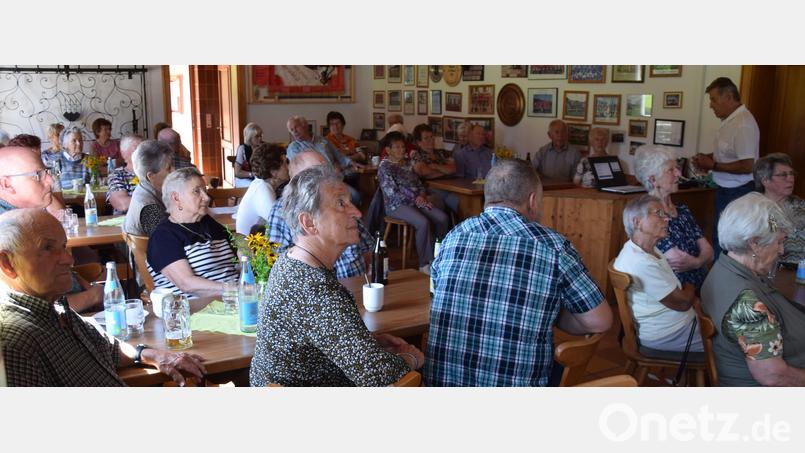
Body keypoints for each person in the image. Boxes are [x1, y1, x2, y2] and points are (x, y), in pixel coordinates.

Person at [426, 158, 612, 386]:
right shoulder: (552, 246)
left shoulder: (454, 237)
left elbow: (438, 292)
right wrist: (553, 315)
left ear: (488, 197)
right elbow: (600, 321)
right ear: (532, 200)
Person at [249, 166, 423, 386]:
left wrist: (367, 343)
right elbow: (377, 375)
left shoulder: (290, 260)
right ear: (309, 222)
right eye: (341, 204)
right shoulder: (314, 289)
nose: (357, 213)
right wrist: (411, 358)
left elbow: (316, 338)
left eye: (350, 202)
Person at [0, 208, 207, 386]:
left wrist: (149, 354)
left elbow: (104, 346)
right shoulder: (15, 342)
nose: (68, 259)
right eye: (47, 248)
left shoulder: (54, 306)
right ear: (7, 263)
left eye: (63, 246)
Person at [700, 192, 805, 386]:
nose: (782, 250)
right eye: (779, 241)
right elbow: (773, 376)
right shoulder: (747, 304)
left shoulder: (724, 266)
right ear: (754, 243)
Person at [0, 145, 100, 312]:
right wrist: (94, 296)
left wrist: (88, 287)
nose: (50, 180)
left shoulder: (27, 214)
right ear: (7, 184)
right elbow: (35, 310)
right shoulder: (8, 230)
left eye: (47, 172)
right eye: (38, 175)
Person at [614, 194, 703, 352]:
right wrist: (690, 287)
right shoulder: (640, 261)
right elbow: (682, 303)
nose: (667, 219)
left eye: (665, 214)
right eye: (659, 214)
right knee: (728, 345)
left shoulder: (648, 249)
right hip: (668, 333)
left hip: (674, 325)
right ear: (637, 222)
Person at [266, 150, 373, 279]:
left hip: (358, 285)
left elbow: (368, 249)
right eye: (317, 172)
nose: (327, 175)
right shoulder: (281, 211)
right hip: (327, 286)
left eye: (327, 168)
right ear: (298, 180)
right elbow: (279, 262)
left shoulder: (344, 207)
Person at [692, 77, 759, 258]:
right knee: (719, 238)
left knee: (727, 242)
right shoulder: (730, 121)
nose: (710, 105)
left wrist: (713, 165)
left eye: (714, 99)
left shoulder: (743, 123)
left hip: (737, 191)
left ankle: (722, 283)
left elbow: (747, 165)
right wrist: (707, 159)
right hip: (726, 190)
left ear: (729, 97)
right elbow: (728, 154)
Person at [147, 167, 238, 298]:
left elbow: (239, 251)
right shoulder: (163, 236)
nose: (206, 198)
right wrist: (239, 290)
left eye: (205, 191)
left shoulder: (207, 222)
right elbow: (187, 284)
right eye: (197, 192)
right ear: (176, 198)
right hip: (196, 309)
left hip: (233, 300)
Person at [634, 145, 713, 290]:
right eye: (671, 170)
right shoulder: (649, 217)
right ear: (653, 180)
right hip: (677, 293)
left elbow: (709, 251)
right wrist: (701, 261)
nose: (678, 174)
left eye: (676, 168)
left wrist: (695, 263)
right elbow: (677, 260)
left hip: (702, 288)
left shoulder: (682, 210)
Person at [378, 132, 449, 274]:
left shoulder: (408, 163)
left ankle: (441, 256)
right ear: (388, 150)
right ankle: (425, 264)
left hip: (417, 201)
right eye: (396, 147)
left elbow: (419, 184)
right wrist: (416, 200)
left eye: (403, 147)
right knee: (422, 222)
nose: (401, 150)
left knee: (442, 218)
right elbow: (393, 192)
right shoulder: (385, 167)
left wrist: (421, 196)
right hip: (396, 205)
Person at [284, 115, 361, 206]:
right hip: (316, 185)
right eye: (291, 130)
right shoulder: (294, 147)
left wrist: (351, 162)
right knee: (352, 198)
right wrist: (333, 169)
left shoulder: (322, 140)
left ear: (305, 125)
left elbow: (338, 155)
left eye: (296, 127)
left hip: (335, 179)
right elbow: (303, 170)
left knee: (356, 196)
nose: (295, 132)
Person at [754, 153, 805, 265]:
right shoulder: (760, 210)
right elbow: (774, 239)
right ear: (765, 180)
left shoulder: (801, 205)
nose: (791, 179)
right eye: (783, 175)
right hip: (775, 269)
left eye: (792, 174)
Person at [123, 139, 174, 237]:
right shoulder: (149, 208)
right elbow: (167, 241)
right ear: (151, 176)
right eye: (168, 168)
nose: (174, 171)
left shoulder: (144, 189)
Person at [235, 143, 289, 235]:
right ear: (273, 172)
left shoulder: (261, 185)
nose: (289, 167)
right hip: (251, 248)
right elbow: (283, 225)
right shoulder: (262, 190)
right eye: (285, 163)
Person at [411, 123, 459, 215]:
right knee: (456, 202)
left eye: (432, 136)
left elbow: (453, 169)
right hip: (430, 190)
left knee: (462, 201)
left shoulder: (441, 153)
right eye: (426, 138)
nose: (431, 140)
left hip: (451, 187)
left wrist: (436, 166)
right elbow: (424, 172)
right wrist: (445, 171)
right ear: (419, 142)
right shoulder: (417, 155)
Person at [106, 134, 142, 215]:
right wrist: (154, 201)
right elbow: (122, 204)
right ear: (123, 153)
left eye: (144, 148)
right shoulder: (118, 174)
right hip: (128, 222)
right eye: (137, 149)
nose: (143, 152)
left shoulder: (154, 172)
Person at [234, 122, 263, 188]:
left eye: (261, 135)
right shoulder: (242, 149)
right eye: (257, 136)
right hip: (244, 179)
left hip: (259, 179)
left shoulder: (263, 147)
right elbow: (237, 172)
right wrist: (251, 174)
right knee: (255, 186)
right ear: (250, 137)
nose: (260, 138)